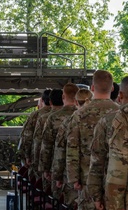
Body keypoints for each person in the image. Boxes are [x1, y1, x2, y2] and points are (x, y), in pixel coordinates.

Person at [66, 70, 119, 210]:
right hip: (115, 182)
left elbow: (72, 148)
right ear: (112, 88)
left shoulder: (79, 114)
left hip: (86, 180)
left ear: (93, 88)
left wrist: (73, 178)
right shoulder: (121, 115)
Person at [52, 88, 93, 207]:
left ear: (76, 102)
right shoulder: (107, 117)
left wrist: (62, 176)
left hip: (78, 177)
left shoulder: (71, 121)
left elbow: (64, 150)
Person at [39, 83, 79, 197]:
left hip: (60, 169)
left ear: (63, 97)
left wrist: (46, 169)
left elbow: (47, 145)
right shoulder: (83, 116)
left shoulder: (53, 117)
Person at [103, 76, 128, 209]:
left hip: (116, 195)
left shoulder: (109, 120)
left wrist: (95, 194)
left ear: (120, 95)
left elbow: (97, 158)